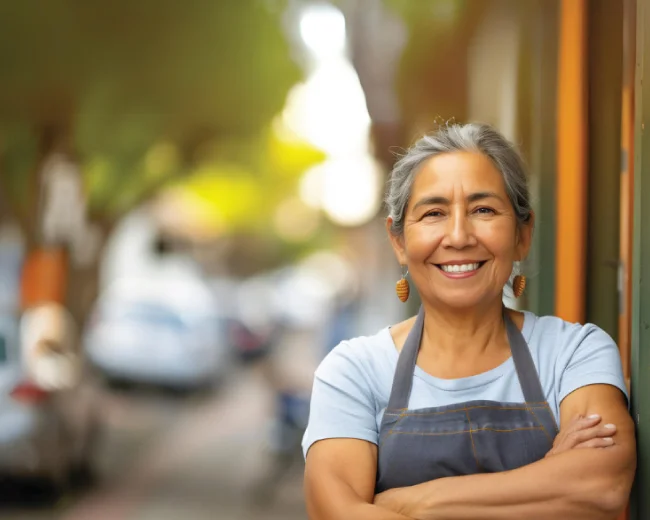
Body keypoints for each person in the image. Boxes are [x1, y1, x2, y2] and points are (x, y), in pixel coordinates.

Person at [302, 123, 635, 519]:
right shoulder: (354, 371)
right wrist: (548, 476)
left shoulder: (574, 352)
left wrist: (414, 503)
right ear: (399, 242)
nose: (458, 236)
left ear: (522, 234)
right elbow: (336, 513)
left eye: (483, 210)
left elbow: (602, 486)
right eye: (434, 213)